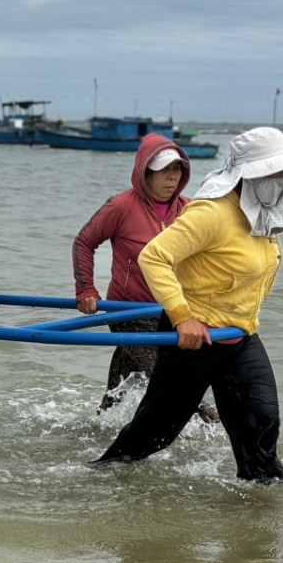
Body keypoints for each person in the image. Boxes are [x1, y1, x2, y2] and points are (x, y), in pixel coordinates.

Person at [94, 127, 283, 484]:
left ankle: (262, 493)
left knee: (262, 420)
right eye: (274, 172)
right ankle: (98, 476)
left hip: (239, 335)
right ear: (250, 174)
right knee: (155, 433)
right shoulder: (212, 214)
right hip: (194, 342)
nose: (282, 180)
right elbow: (154, 257)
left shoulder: (262, 216)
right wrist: (182, 317)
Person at [73, 134, 220, 421]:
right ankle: (208, 423)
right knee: (170, 380)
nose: (171, 178)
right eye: (164, 171)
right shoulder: (121, 206)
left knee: (123, 385)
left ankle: (100, 426)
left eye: (177, 170)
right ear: (145, 173)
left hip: (173, 310)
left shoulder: (189, 210)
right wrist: (86, 288)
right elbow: (84, 242)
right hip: (127, 310)